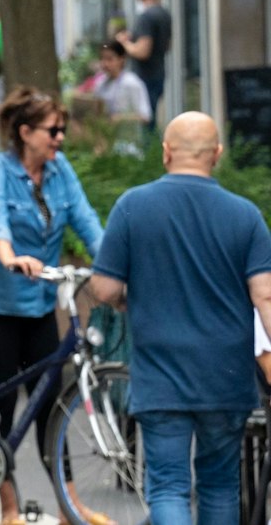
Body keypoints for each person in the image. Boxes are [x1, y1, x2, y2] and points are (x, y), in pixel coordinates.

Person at [90, 112, 271, 525]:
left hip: (161, 374)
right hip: (225, 374)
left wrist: (124, 298)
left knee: (169, 485)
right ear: (217, 155)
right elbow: (266, 296)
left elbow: (103, 289)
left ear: (166, 152)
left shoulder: (133, 206)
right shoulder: (246, 216)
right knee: (220, 485)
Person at [0, 87, 107, 525]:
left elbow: (87, 221)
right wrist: (7, 255)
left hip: (39, 304)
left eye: (62, 129)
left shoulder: (60, 174)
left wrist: (112, 268)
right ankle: (8, 508)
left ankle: (69, 509)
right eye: (52, 130)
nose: (60, 138)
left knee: (51, 409)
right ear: (25, 133)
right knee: (0, 409)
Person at [116, 0, 172, 130]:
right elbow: (167, 45)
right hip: (159, 72)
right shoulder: (164, 13)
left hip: (145, 76)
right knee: (151, 117)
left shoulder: (146, 17)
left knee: (145, 121)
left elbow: (142, 51)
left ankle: (150, 152)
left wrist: (124, 43)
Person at [88, 40, 153, 127]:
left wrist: (120, 119)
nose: (105, 64)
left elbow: (145, 116)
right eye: (102, 59)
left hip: (128, 136)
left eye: (110, 59)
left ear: (121, 59)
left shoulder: (132, 83)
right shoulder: (100, 83)